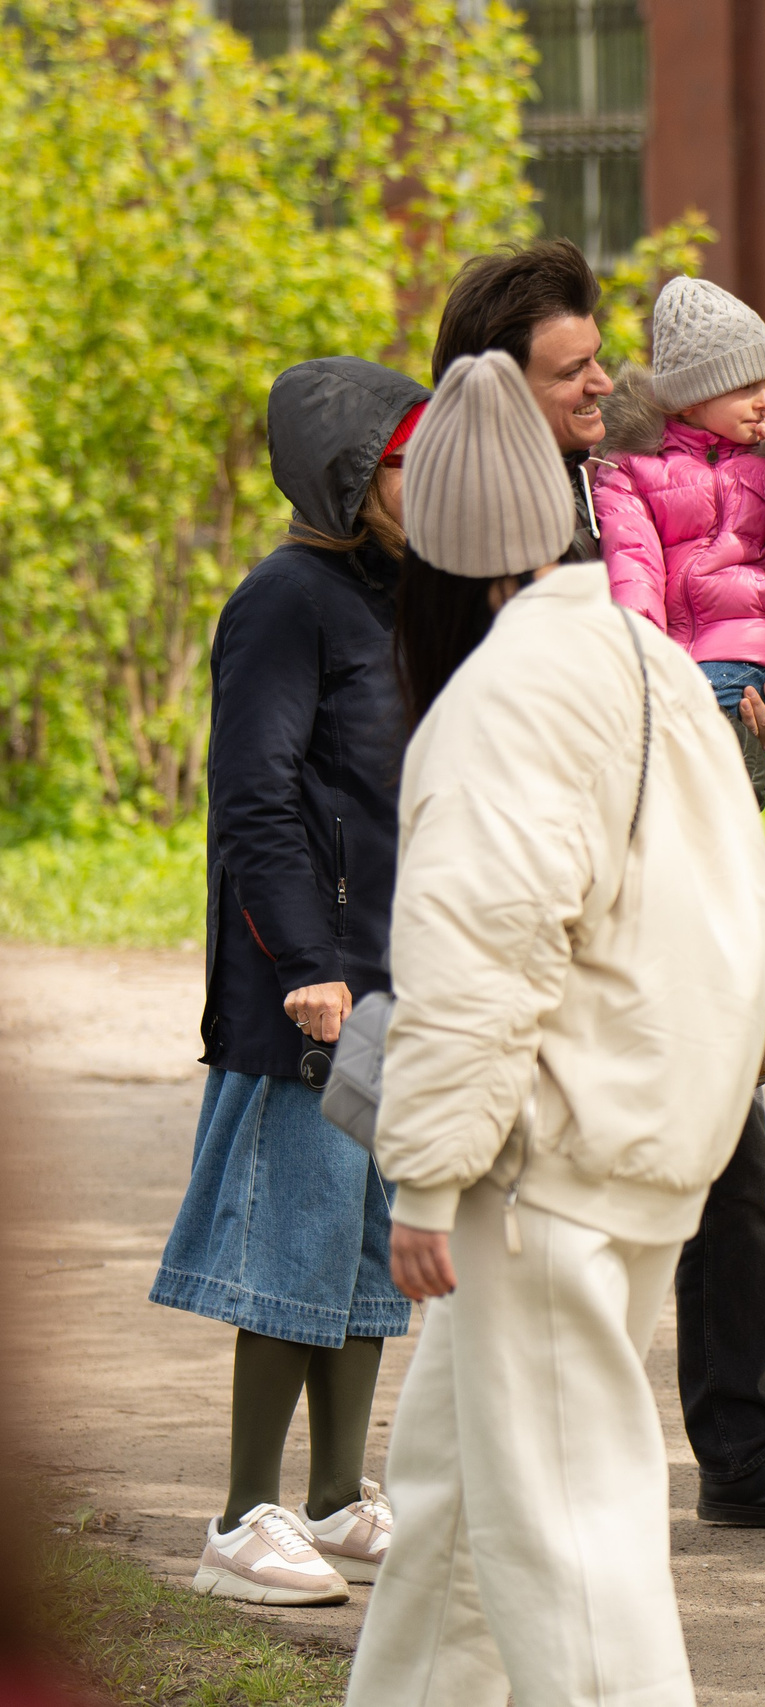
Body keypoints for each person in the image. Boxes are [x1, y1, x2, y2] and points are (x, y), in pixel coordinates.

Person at [345, 350, 765, 1707]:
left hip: (547, 1165)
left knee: (566, 1543)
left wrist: (426, 1165)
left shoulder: (503, 700)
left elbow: (480, 949)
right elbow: (731, 903)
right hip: (629, 1143)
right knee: (458, 1504)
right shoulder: (646, 654)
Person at [436, 244, 765, 1529]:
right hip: (552, 902)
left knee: (731, 1158)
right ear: (500, 383)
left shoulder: (631, 477)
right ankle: (525, 1473)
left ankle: (737, 1451)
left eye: (598, 360)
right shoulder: (477, 527)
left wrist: (716, 725)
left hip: (672, 874)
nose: (602, 384)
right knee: (543, 1194)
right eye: (573, 369)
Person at [153, 357, 426, 1606]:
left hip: (390, 971)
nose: (426, 480)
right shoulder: (285, 598)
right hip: (301, 986)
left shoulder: (406, 595)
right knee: (294, 1243)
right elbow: (254, 798)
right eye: (404, 462)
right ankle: (239, 1518)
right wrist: (307, 966)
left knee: (369, 1248)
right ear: (348, 475)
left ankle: (333, 1498)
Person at [595, 273, 765, 792]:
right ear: (690, 400)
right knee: (666, 732)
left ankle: (730, 780)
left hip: (759, 651)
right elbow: (634, 572)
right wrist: (643, 669)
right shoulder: (634, 471)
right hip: (680, 659)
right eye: (745, 387)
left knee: (686, 732)